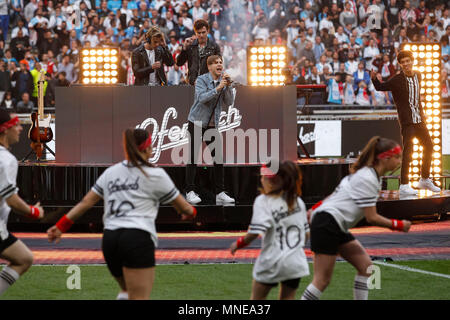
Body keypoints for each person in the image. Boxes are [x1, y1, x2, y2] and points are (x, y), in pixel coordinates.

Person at [47, 128, 196, 300]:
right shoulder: (156, 174)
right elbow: (186, 208)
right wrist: (191, 213)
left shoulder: (111, 172)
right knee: (139, 297)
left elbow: (86, 202)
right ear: (147, 149)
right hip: (137, 239)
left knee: (127, 291)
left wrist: (60, 226)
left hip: (111, 240)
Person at [301, 136, 411, 300]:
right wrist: (399, 224)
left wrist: (314, 210)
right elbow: (371, 217)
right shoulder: (368, 178)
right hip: (328, 224)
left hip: (333, 223)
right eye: (397, 157)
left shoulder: (369, 175)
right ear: (385, 158)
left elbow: (335, 195)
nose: (399, 161)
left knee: (366, 266)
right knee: (321, 280)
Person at [230, 160, 310, 300]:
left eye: (262, 177)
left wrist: (239, 243)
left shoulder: (264, 201)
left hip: (272, 261)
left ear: (270, 181)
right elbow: (306, 234)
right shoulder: (298, 202)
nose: (261, 180)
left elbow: (254, 233)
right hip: (295, 262)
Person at [371, 50, 441, 195]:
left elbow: (417, 98)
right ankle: (404, 184)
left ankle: (424, 179)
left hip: (419, 119)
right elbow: (380, 87)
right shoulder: (397, 80)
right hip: (407, 122)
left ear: (412, 61)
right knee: (409, 151)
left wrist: (422, 113)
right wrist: (374, 79)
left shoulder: (418, 76)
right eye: (403, 62)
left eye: (408, 61)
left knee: (429, 146)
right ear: (400, 65)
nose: (406, 64)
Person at [0, 109, 44, 296]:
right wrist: (33, 212)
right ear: (4, 130)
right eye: (15, 125)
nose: (20, 128)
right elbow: (11, 199)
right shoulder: (6, 159)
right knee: (23, 258)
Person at [185, 55, 235, 205]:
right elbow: (201, 98)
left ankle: (220, 192)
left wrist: (228, 87)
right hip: (197, 122)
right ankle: (189, 191)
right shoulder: (202, 80)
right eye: (216, 63)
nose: (220, 65)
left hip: (213, 125)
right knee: (193, 158)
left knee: (218, 159)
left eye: (221, 62)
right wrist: (218, 88)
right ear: (209, 67)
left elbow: (229, 102)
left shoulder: (223, 81)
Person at [176, 19, 221, 85]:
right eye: (199, 33)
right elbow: (179, 63)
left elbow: (218, 67)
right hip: (192, 84)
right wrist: (184, 48)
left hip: (209, 85)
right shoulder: (190, 46)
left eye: (203, 32)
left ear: (208, 31)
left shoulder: (214, 47)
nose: (201, 35)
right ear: (195, 32)